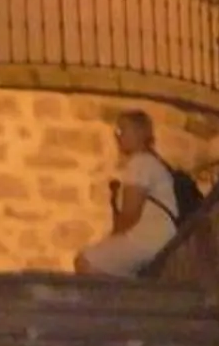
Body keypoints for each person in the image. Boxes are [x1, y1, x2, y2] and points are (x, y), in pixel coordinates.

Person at [73, 108, 181, 277]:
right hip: (159, 236)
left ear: (139, 133)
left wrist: (112, 238)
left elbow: (130, 214)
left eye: (122, 129)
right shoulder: (151, 163)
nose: (118, 135)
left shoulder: (140, 163)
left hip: (149, 238)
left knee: (85, 261)